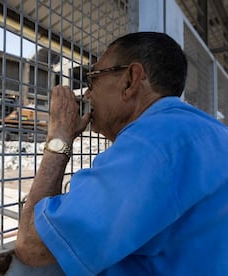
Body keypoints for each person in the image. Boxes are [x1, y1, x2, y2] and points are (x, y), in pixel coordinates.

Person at [15, 32, 228, 275]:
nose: (86, 93)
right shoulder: (210, 132)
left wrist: (59, 138)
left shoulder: (150, 144)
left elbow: (33, 246)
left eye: (93, 77)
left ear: (130, 81)